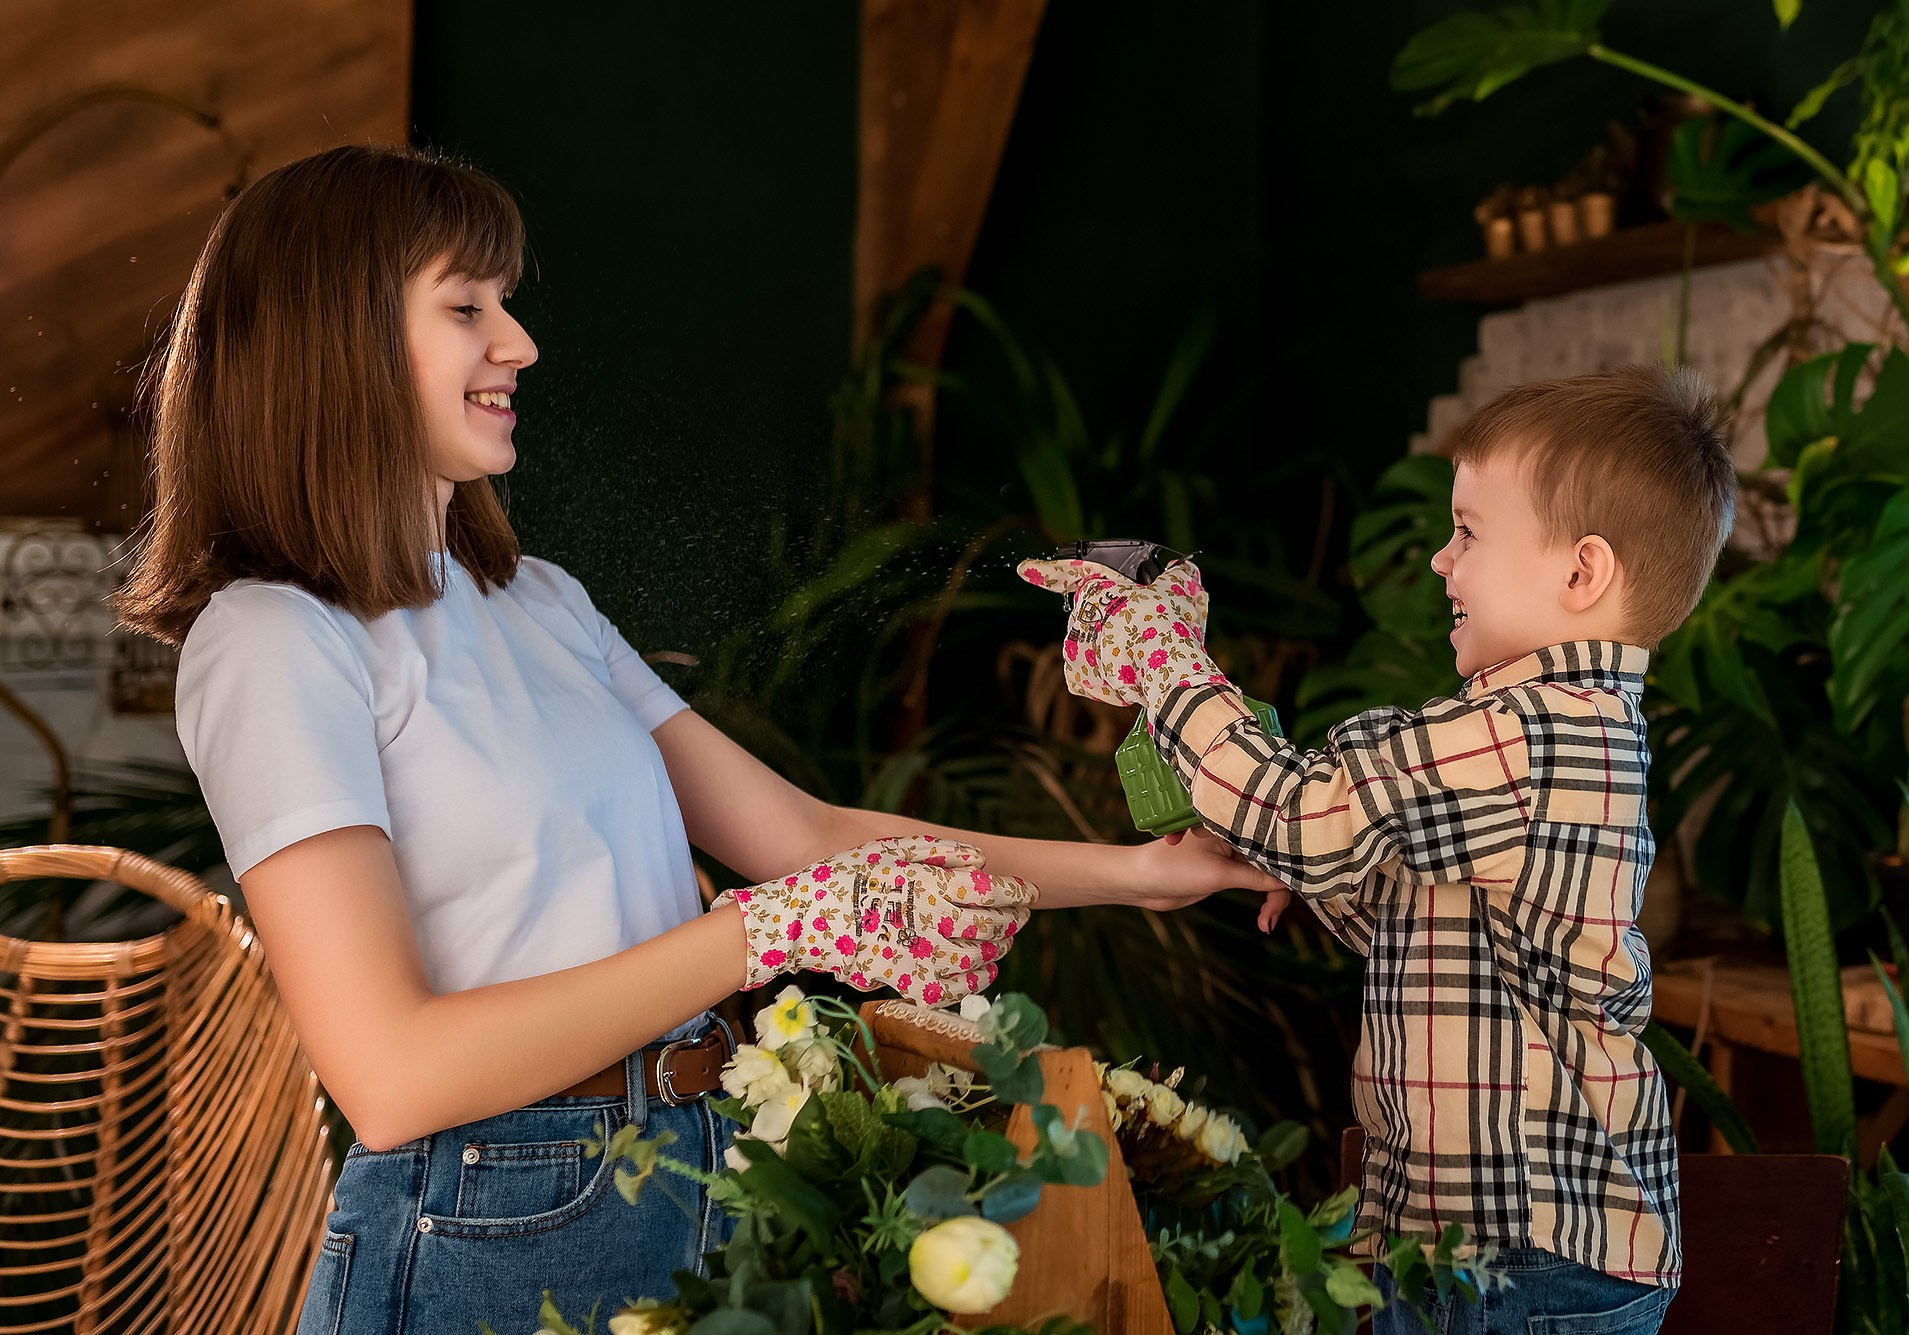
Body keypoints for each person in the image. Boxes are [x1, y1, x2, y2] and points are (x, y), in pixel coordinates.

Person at [114, 144, 1282, 1333]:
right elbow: (391, 1075)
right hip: (493, 1217)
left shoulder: (538, 602)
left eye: (505, 305)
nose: (516, 343)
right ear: (336, 342)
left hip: (699, 1161)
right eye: (465, 307)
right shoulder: (271, 637)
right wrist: (752, 937)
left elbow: (809, 837)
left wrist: (1143, 875)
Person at [1022, 365, 1737, 1335]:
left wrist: (1164, 665)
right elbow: (1432, 921)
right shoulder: (1536, 729)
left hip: (1524, 1267)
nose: (1440, 562)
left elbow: (1309, 814)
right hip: (1481, 1254)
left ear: (1580, 574)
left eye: (1466, 534)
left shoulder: (1530, 734)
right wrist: (1304, 871)